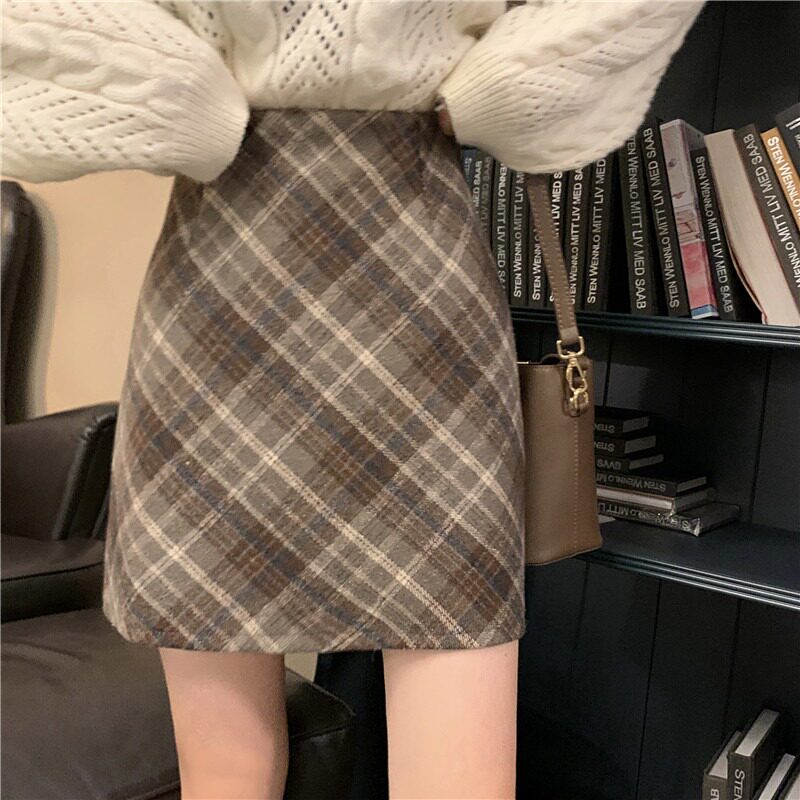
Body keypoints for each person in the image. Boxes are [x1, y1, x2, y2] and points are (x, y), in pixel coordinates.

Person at [1, 1, 703, 797]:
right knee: (226, 771)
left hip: (411, 274)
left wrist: (497, 90)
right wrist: (181, 96)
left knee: (453, 752)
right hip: (225, 288)